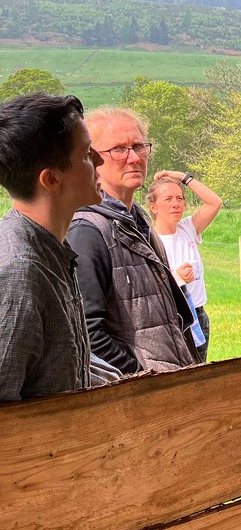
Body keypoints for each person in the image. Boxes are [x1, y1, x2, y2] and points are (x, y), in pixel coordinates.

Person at [0, 93, 120, 401]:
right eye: (85, 154)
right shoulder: (19, 273)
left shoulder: (52, 250)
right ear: (51, 179)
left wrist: (103, 377)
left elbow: (47, 367)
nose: (100, 160)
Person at [67, 107, 198, 375]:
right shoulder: (87, 230)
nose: (133, 157)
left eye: (139, 146)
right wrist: (139, 375)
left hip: (171, 381)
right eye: (118, 149)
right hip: (139, 395)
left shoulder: (137, 221)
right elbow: (87, 333)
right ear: (91, 158)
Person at [147, 170, 223, 362]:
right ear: (153, 207)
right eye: (168, 199)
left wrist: (183, 177)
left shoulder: (187, 228)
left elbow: (215, 202)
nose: (176, 204)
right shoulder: (148, 240)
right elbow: (149, 284)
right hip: (171, 318)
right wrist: (177, 278)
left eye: (179, 198)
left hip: (198, 314)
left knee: (200, 370)